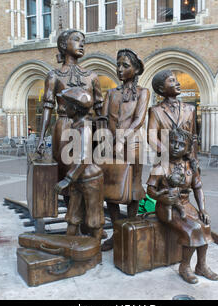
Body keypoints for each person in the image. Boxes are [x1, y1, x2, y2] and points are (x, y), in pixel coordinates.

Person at [147, 126, 218, 284]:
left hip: (186, 204)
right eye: (172, 142)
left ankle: (201, 265)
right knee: (192, 229)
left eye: (180, 144)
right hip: (166, 207)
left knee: (205, 226)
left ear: (187, 148)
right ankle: (184, 266)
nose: (175, 146)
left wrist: (202, 209)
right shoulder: (160, 165)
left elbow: (198, 188)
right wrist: (163, 199)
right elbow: (150, 191)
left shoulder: (190, 166)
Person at [36, 29, 103, 193]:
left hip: (87, 126)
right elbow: (48, 107)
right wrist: (41, 137)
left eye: (83, 42)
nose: (81, 44)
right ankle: (70, 210)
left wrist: (103, 136)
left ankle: (83, 210)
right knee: (65, 168)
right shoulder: (54, 76)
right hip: (64, 126)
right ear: (64, 45)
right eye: (76, 40)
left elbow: (100, 108)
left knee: (87, 169)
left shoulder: (92, 76)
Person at [100, 49, 150, 251]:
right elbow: (103, 119)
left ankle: (130, 228)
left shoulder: (143, 93)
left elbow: (139, 119)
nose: (120, 69)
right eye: (118, 65)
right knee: (110, 189)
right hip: (110, 145)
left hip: (133, 145)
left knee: (133, 189)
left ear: (136, 69)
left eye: (125, 65)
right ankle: (116, 232)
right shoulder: (111, 93)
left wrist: (122, 138)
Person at [54, 87, 104, 241]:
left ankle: (95, 249)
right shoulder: (76, 125)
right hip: (78, 178)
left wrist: (67, 180)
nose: (62, 108)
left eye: (66, 105)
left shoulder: (84, 128)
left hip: (90, 179)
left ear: (74, 109)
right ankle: (68, 243)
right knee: (73, 214)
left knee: (94, 216)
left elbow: (84, 157)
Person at [147, 70, 199, 169]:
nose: (178, 83)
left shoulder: (190, 109)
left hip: (185, 161)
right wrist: (167, 151)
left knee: (195, 184)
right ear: (161, 89)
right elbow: (151, 136)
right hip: (165, 162)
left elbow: (193, 137)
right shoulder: (156, 111)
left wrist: (194, 158)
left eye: (176, 80)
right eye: (172, 81)